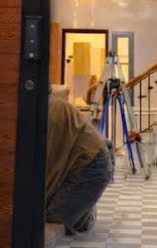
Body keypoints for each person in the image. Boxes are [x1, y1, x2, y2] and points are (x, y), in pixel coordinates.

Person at [46, 90, 113, 236]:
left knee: (54, 218)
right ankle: (82, 202)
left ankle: (86, 211)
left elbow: (48, 163)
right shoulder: (52, 106)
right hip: (78, 163)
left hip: (92, 167)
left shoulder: (52, 111)